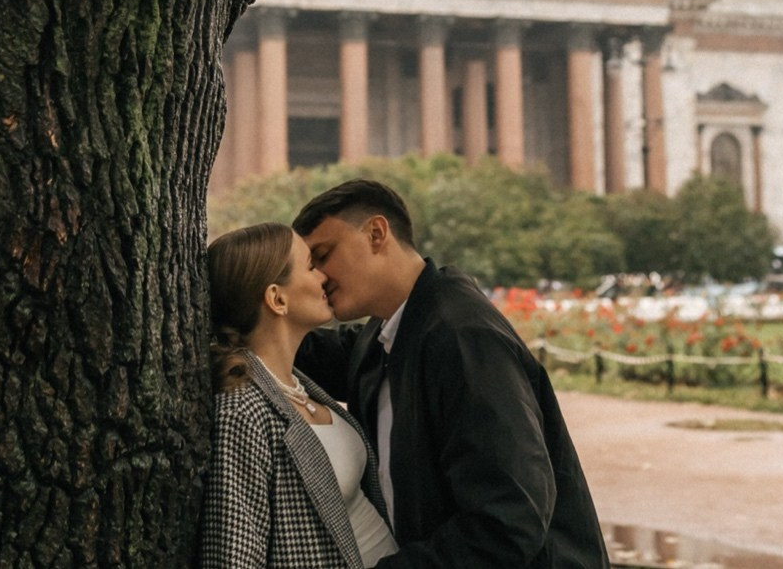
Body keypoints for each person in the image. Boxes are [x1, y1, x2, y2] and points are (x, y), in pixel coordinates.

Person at [294, 181, 611, 569]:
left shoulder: (461, 335)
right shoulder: (389, 332)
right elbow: (308, 353)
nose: (319, 277)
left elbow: (508, 521)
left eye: (323, 256)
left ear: (377, 233)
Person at [200, 221, 398, 569]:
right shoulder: (240, 410)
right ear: (277, 299)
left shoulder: (298, 385)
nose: (323, 275)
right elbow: (234, 557)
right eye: (310, 264)